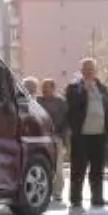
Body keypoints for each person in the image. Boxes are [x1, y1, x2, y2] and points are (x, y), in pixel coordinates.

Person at [64, 57, 108, 209]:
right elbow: (72, 107)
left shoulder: (102, 88)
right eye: (86, 69)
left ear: (95, 70)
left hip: (100, 135)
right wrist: (83, 90)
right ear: (81, 71)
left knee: (97, 169)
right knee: (78, 169)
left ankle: (97, 198)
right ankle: (75, 199)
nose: (89, 72)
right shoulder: (74, 88)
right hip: (82, 136)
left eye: (91, 69)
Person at [37, 77, 69, 206]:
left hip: (56, 138)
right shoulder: (37, 101)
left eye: (47, 87)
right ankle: (44, 192)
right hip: (40, 138)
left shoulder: (60, 103)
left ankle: (57, 193)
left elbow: (66, 122)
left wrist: (63, 137)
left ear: (53, 89)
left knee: (58, 167)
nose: (44, 90)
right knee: (45, 167)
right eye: (43, 87)